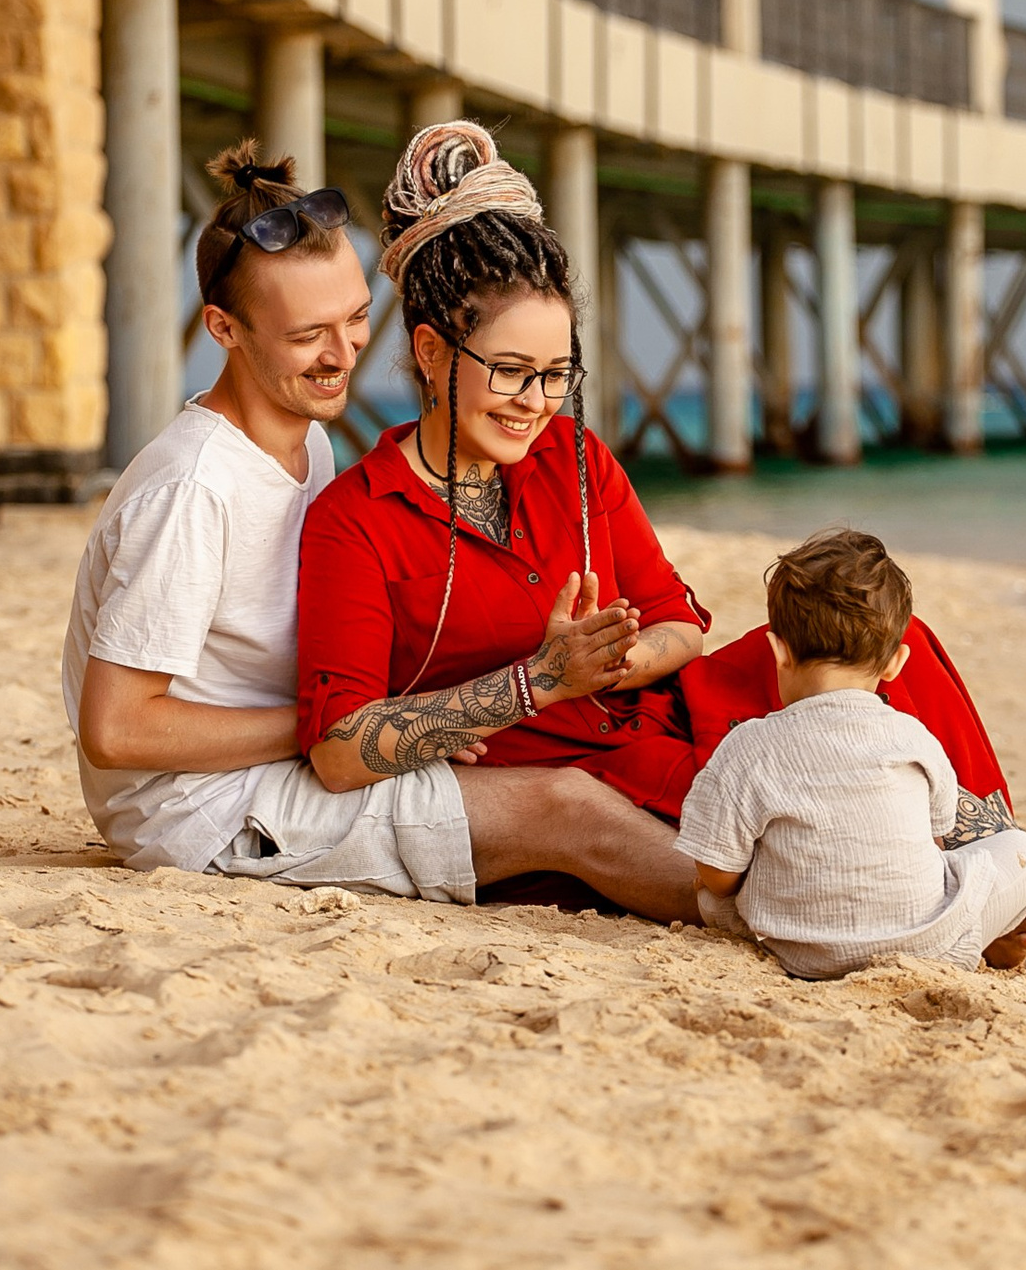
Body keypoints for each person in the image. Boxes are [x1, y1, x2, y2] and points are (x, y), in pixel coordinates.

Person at [296, 121, 1026, 996]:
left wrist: (622, 660)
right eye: (509, 373)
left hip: (656, 710)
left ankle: (1005, 875)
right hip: (562, 771)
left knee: (882, 658)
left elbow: (681, 621)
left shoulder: (574, 460)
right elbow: (340, 750)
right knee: (798, 814)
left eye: (556, 374)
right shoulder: (356, 518)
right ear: (431, 351)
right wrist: (540, 677)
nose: (535, 404)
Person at [62, 140, 700, 920]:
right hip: (205, 807)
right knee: (559, 804)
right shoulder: (194, 488)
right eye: (307, 336)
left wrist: (398, 710)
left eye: (358, 318)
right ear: (223, 329)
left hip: (294, 759)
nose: (344, 355)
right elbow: (116, 729)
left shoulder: (309, 441)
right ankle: (768, 910)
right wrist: (356, 718)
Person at [678, 528, 1026, 979]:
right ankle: (987, 932)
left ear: (777, 651)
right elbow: (937, 838)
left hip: (802, 953)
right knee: (1022, 850)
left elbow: (718, 871)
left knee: (710, 897)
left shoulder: (747, 746)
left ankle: (978, 933)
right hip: (928, 949)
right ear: (895, 663)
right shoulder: (914, 736)